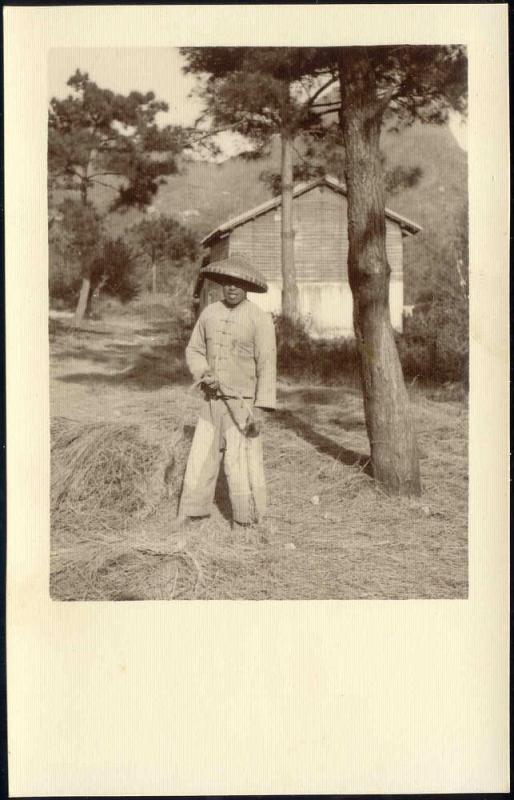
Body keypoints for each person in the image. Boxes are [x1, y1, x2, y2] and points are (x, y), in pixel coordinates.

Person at [175, 254, 277, 530]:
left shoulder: (259, 319)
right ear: (221, 284)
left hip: (242, 405)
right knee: (202, 456)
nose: (232, 288)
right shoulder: (209, 313)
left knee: (240, 462)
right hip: (211, 401)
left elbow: (267, 365)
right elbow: (194, 350)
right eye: (227, 283)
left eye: (238, 283)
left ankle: (245, 520)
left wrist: (260, 409)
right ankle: (194, 513)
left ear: (246, 287)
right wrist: (204, 373)